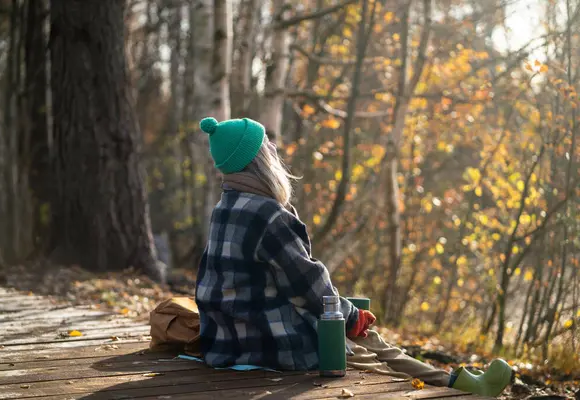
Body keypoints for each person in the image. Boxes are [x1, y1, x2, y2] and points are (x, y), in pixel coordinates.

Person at [195, 116, 512, 397]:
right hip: (270, 345)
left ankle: (456, 380)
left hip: (224, 343)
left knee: (364, 337)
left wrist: (344, 311)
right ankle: (460, 387)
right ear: (261, 161)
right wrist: (349, 316)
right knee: (367, 351)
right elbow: (308, 283)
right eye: (269, 148)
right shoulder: (269, 216)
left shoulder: (224, 209)